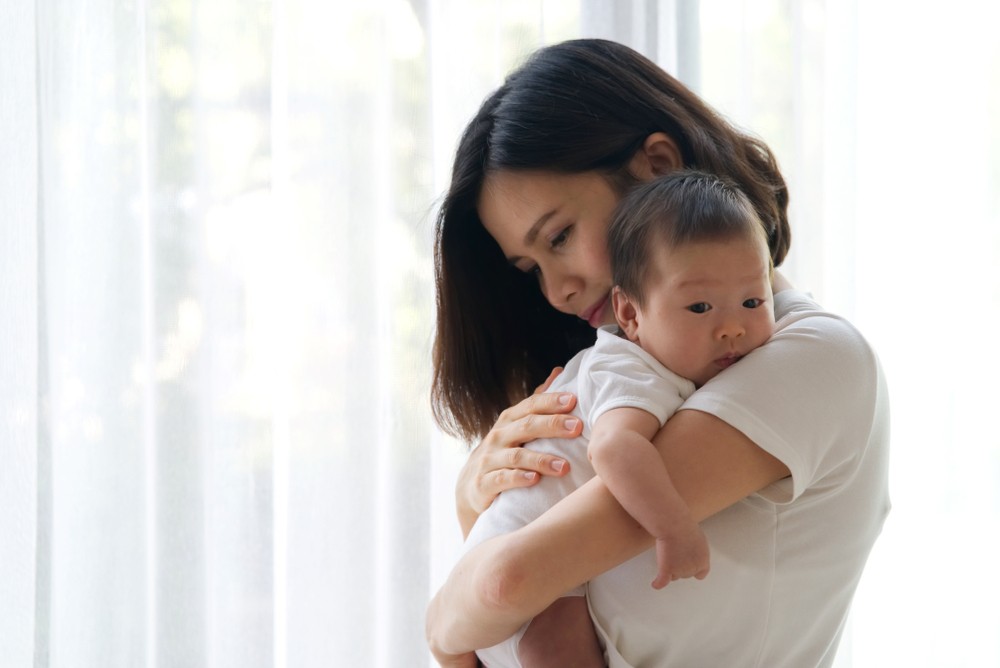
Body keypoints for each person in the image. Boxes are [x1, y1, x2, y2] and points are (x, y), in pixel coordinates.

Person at [426, 38, 890, 668]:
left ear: (658, 164)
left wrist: (438, 628)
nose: (557, 290)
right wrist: (470, 500)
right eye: (530, 268)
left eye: (560, 236)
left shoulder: (815, 360)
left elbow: (505, 584)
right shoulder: (623, 374)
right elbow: (509, 615)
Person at [463, 170, 777, 668]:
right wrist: (674, 529)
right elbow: (614, 449)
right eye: (699, 307)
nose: (732, 327)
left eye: (754, 301)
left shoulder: (669, 358)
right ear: (629, 316)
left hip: (513, 567)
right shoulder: (632, 367)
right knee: (561, 642)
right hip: (522, 573)